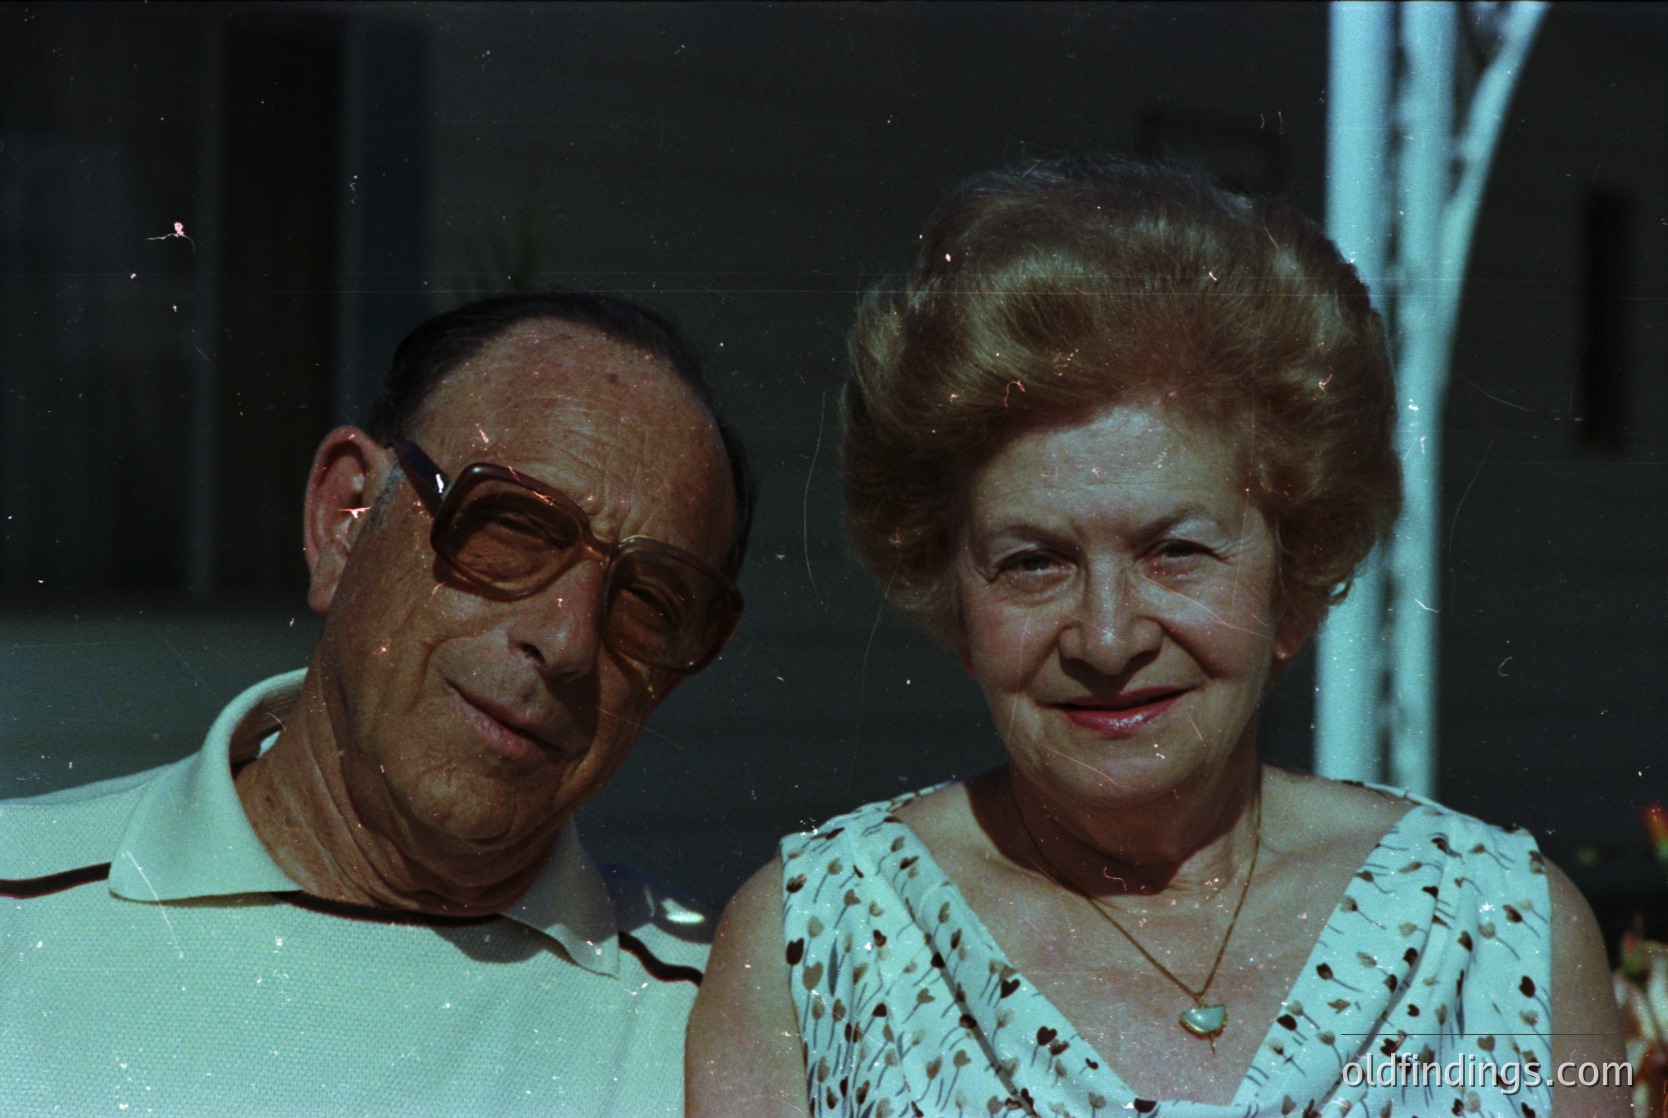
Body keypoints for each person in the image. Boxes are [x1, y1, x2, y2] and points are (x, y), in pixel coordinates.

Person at [688, 160, 1628, 1116]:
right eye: (1033, 563)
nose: (1105, 637)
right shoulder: (819, 946)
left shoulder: (1496, 928)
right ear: (951, 592)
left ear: (1291, 576)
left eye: (1175, 551)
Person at [0, 292, 752, 1115]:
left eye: (650, 604)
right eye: (512, 528)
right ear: (345, 520)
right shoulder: (20, 915)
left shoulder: (712, 1034)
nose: (567, 642)